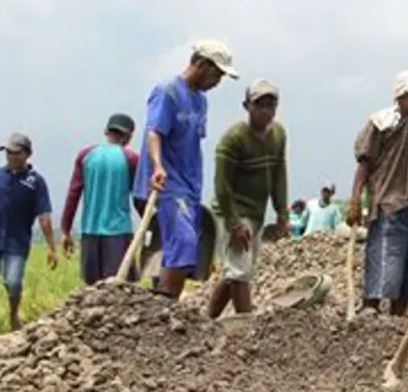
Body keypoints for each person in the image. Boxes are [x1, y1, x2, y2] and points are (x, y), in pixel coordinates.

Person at [133, 39, 239, 299]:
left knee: (183, 249)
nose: (218, 82)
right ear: (201, 65)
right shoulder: (167, 92)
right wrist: (157, 166)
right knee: (184, 241)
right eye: (217, 74)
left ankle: (165, 303)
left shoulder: (201, 101)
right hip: (167, 181)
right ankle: (165, 305)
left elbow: (192, 142)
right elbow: (154, 133)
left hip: (189, 184)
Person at [346, 70, 408, 317]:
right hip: (388, 201)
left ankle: (397, 318)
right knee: (384, 256)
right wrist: (356, 198)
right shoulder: (382, 123)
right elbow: (365, 163)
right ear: (402, 97)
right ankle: (371, 308)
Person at [206, 79, 289, 318]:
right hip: (231, 209)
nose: (266, 111)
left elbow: (279, 174)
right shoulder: (233, 139)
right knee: (240, 272)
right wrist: (233, 223)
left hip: (256, 212)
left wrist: (282, 212)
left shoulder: (278, 135)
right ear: (247, 106)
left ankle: (208, 320)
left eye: (271, 105)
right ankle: (248, 325)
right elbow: (222, 186)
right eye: (259, 105)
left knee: (239, 270)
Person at [0, 133, 57, 338]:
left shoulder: (35, 182)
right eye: (8, 152)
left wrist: (50, 247)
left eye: (16, 152)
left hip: (16, 240)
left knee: (13, 282)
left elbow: (44, 216)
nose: (11, 156)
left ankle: (13, 315)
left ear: (27, 154)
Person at [60, 113, 140, 285]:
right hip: (118, 232)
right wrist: (152, 224)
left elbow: (73, 194)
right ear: (128, 136)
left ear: (106, 131)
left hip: (90, 231)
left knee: (93, 287)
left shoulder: (86, 156)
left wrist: (66, 230)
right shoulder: (130, 158)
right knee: (120, 287)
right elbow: (139, 197)